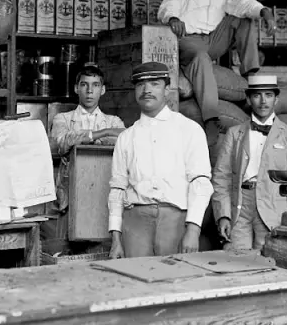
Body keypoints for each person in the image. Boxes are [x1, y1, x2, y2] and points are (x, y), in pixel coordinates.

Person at [158, 0, 276, 146]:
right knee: (201, 58)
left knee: (244, 17)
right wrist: (173, 18)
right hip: (188, 40)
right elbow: (169, 5)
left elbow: (243, 3)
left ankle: (251, 75)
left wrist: (264, 11)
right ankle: (211, 118)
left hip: (213, 41)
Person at [108, 62, 212, 259]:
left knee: (176, 283)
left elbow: (200, 182)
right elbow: (117, 190)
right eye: (140, 85)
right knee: (135, 283)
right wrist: (116, 239)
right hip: (135, 224)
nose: (147, 90)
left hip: (176, 221)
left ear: (167, 90)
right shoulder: (126, 137)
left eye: (155, 84)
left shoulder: (189, 130)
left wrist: (193, 230)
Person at [211, 74, 287, 255]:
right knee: (237, 261)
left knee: (272, 260)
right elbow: (221, 177)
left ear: (276, 99)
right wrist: (223, 215)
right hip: (240, 206)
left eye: (268, 95)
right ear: (248, 99)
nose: (263, 101)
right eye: (257, 95)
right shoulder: (234, 133)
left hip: (274, 207)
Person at [49, 65, 126, 213]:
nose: (89, 91)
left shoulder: (114, 121)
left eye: (95, 85)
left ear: (102, 90)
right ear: (76, 88)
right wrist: (104, 133)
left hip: (103, 189)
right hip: (69, 195)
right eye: (84, 85)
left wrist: (83, 138)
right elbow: (63, 141)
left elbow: (123, 143)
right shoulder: (62, 119)